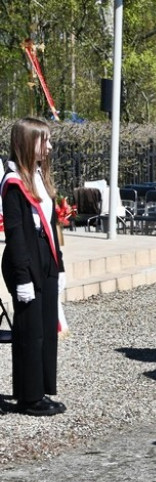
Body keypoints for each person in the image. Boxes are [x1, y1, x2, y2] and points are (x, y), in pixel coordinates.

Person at [1, 117, 66, 416]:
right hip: (24, 260)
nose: (50, 146)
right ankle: (29, 397)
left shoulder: (39, 175)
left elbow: (51, 225)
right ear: (28, 143)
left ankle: (41, 390)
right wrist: (23, 276)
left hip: (46, 257)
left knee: (45, 328)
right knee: (30, 331)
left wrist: (59, 267)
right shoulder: (14, 182)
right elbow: (15, 235)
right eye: (45, 141)